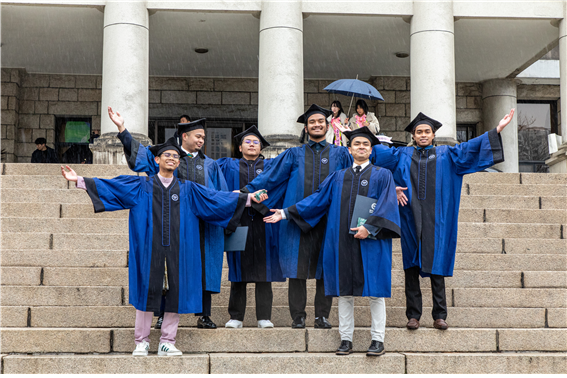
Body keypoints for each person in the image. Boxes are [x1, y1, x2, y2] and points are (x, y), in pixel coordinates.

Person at [60, 138, 268, 357]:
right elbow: (112, 186)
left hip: (180, 250)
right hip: (150, 250)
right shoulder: (141, 186)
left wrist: (248, 198)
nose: (172, 159)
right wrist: (80, 180)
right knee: (147, 291)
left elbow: (215, 198)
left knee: (175, 293)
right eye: (167, 155)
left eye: (176, 157)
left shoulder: (189, 189)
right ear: (157, 159)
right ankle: (141, 341)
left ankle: (167, 341)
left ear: (179, 163)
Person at [370, 109, 515, 331]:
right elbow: (373, 160)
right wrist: (391, 186)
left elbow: (471, 148)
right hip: (409, 217)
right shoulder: (401, 155)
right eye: (419, 132)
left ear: (433, 134)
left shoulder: (448, 154)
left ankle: (439, 314)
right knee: (410, 266)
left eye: (427, 131)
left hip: (438, 219)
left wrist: (497, 130)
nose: (423, 135)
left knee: (437, 263)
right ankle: (413, 315)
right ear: (413, 135)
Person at [264, 127, 400, 356]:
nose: (361, 148)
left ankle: (378, 339)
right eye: (357, 144)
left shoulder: (383, 175)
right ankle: (346, 339)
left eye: (365, 145)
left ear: (371, 149)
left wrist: (370, 227)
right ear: (349, 149)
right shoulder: (338, 177)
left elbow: (388, 204)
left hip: (372, 241)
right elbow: (317, 200)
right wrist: (286, 212)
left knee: (375, 292)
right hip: (342, 241)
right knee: (344, 292)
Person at [108, 107, 228, 330]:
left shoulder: (210, 165)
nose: (202, 140)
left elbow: (221, 194)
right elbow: (142, 156)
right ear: (185, 136)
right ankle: (163, 313)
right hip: (174, 223)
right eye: (198, 136)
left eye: (203, 137)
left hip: (204, 225)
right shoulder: (169, 156)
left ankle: (204, 314)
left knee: (203, 267)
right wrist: (122, 129)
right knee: (169, 268)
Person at [241, 104, 353, 329]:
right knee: (297, 268)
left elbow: (353, 180)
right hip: (295, 218)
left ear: (328, 124)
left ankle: (322, 315)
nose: (317, 125)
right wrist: (248, 190)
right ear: (306, 127)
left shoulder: (340, 153)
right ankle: (298, 316)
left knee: (325, 268)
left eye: (320, 121)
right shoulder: (294, 153)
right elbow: (271, 178)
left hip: (328, 219)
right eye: (312, 122)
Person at [217, 126, 287, 329]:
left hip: (265, 222)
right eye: (247, 141)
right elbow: (220, 190)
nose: (251, 144)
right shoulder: (228, 166)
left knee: (265, 272)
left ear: (261, 148)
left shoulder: (271, 167)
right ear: (239, 147)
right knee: (238, 270)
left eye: (256, 142)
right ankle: (236, 317)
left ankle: (264, 317)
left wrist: (261, 206)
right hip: (238, 222)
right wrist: (236, 196)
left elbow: (278, 188)